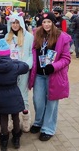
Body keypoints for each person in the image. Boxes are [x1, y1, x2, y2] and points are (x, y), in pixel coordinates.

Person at [28, 12, 71, 141]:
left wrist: (54, 66)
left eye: (49, 22)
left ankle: (48, 128)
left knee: (52, 102)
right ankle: (38, 122)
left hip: (54, 75)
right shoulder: (36, 35)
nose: (46, 24)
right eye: (44, 22)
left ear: (53, 23)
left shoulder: (62, 37)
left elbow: (66, 58)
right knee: (38, 100)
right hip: (39, 75)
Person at [0, 39, 29, 150]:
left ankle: (4, 139)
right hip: (14, 93)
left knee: (3, 118)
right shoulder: (14, 66)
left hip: (1, 96)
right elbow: (25, 66)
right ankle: (16, 138)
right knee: (15, 117)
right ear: (8, 53)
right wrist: (15, 61)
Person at [5, 11, 33, 132]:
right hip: (10, 71)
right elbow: (3, 53)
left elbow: (32, 53)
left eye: (17, 22)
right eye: (12, 23)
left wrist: (26, 65)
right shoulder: (7, 37)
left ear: (21, 23)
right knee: (11, 95)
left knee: (23, 95)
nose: (15, 25)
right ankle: (12, 118)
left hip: (23, 70)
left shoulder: (29, 37)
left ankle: (25, 117)